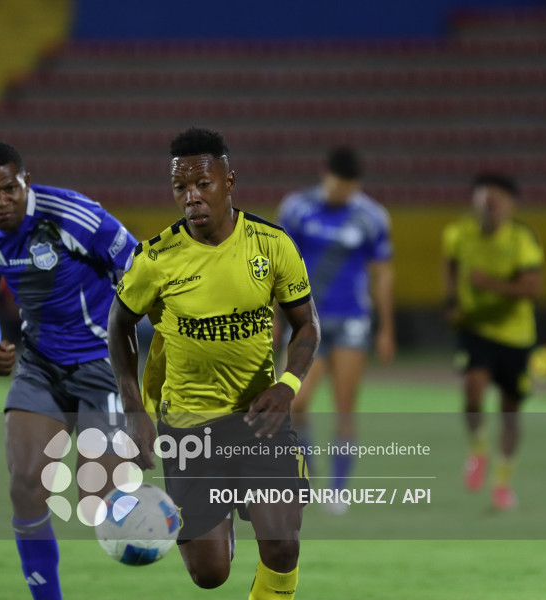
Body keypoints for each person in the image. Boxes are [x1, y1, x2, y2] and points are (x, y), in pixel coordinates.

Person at [108, 128, 320, 599]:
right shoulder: (155, 259)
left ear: (229, 182)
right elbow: (118, 326)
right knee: (211, 575)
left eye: (203, 184)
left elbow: (308, 326)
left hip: (259, 419)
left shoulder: (271, 245)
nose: (192, 197)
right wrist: (134, 410)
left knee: (283, 546)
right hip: (188, 426)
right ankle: (225, 520)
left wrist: (287, 386)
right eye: (181, 187)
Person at [0, 141, 138, 600]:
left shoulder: (75, 216)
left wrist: (145, 361)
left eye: (9, 189)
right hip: (39, 365)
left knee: (97, 500)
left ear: (25, 181)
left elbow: (142, 270)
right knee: (25, 487)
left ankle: (167, 512)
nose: (1, 201)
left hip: (103, 364)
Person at [276, 146, 395, 513]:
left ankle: (338, 491)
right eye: (338, 185)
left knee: (345, 408)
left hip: (351, 321)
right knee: (296, 402)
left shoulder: (371, 217)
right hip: (305, 321)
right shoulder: (296, 209)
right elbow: (280, 265)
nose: (343, 193)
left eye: (350, 187)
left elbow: (383, 272)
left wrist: (386, 328)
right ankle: (308, 474)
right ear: (324, 174)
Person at [442, 173, 543, 510]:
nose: (490, 208)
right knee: (472, 393)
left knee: (510, 412)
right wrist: (452, 301)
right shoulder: (458, 233)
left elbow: (531, 289)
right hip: (476, 330)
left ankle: (502, 482)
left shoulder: (522, 239)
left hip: (516, 336)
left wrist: (489, 284)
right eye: (485, 200)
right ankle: (479, 450)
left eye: (497, 202)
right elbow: (451, 267)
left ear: (510, 206)